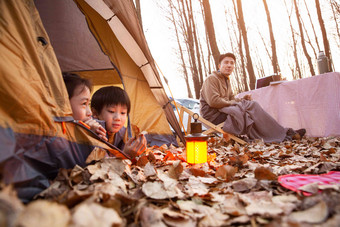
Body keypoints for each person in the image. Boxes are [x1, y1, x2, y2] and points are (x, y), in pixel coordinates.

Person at [200, 53, 306, 143]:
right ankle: (282, 134)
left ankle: (279, 135)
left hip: (223, 111)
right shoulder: (212, 79)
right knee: (252, 107)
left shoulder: (226, 80)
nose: (229, 65)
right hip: (213, 116)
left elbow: (231, 99)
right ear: (219, 66)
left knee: (250, 109)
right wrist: (236, 103)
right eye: (226, 62)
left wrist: (242, 99)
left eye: (232, 63)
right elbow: (214, 102)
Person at [91, 86, 147, 159]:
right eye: (111, 111)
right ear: (95, 113)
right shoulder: (93, 132)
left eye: (123, 113)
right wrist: (126, 154)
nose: (118, 118)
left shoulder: (124, 133)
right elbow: (102, 164)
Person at [62, 73, 107, 141]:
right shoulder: (54, 136)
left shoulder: (93, 128)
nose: (90, 113)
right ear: (64, 104)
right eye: (84, 104)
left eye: (88, 104)